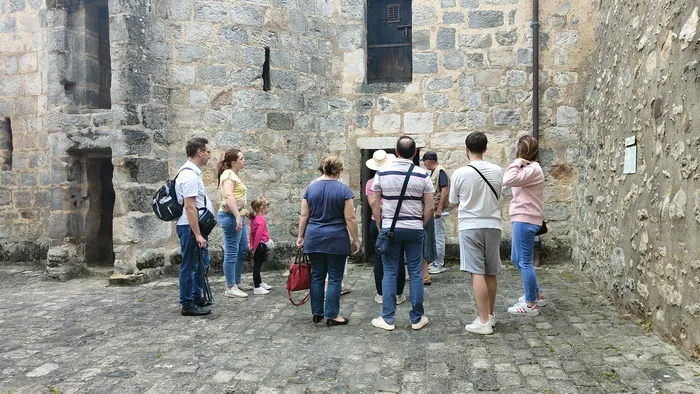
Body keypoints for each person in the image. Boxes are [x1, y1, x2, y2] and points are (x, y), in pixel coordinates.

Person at [370, 136, 434, 331]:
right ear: (415, 153)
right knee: (415, 272)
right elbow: (430, 206)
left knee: (390, 272)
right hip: (414, 228)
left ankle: (388, 318)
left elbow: (374, 202)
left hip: (391, 227)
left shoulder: (382, 172)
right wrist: (420, 224)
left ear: (396, 152)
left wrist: (381, 225)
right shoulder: (423, 175)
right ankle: (417, 318)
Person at [449, 132, 503, 334]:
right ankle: (490, 314)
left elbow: (453, 202)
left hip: (470, 225)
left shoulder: (460, 173)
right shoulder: (497, 170)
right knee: (491, 271)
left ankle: (482, 321)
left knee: (477, 272)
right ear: (486, 149)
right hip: (493, 224)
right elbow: (505, 194)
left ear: (466, 150)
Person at [297, 156, 360, 326]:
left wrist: (300, 236)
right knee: (334, 277)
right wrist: (356, 239)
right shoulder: (344, 190)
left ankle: (317, 312)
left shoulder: (311, 189)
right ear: (339, 171)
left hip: (314, 236)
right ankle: (332, 314)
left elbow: (304, 215)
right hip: (336, 238)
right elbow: (350, 218)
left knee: (317, 276)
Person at [503, 135, 546, 316]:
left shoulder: (532, 170)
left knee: (525, 262)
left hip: (525, 218)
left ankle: (530, 304)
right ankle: (536, 294)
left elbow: (508, 179)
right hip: (523, 218)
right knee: (516, 258)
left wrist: (517, 161)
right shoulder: (529, 170)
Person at [176, 137, 214, 316]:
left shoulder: (192, 172)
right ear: (199, 152)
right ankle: (187, 303)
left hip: (194, 227)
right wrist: (197, 234)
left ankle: (195, 296)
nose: (209, 155)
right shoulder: (189, 174)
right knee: (189, 265)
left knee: (199, 262)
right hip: (191, 227)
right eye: (207, 152)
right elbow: (190, 206)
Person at [365, 150, 406, 305]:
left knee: (380, 258)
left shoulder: (370, 183)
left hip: (377, 221)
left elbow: (373, 203)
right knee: (398, 258)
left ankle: (381, 293)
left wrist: (380, 214)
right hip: (394, 222)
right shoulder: (396, 180)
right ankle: (398, 293)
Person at [217, 149, 251, 299]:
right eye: (241, 159)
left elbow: (237, 197)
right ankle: (230, 287)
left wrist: (247, 213)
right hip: (230, 216)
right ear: (233, 162)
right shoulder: (228, 175)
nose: (244, 161)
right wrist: (237, 216)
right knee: (231, 252)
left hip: (238, 215)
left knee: (243, 248)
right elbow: (229, 195)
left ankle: (236, 281)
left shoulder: (234, 175)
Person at [422, 152, 450, 275]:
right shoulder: (435, 171)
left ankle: (440, 264)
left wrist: (439, 209)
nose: (424, 164)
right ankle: (435, 261)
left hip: (439, 210)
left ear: (429, 160)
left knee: (438, 237)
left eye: (424, 161)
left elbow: (444, 191)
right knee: (434, 236)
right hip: (435, 209)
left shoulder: (440, 171)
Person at [249, 196, 273, 295]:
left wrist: (251, 244)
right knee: (257, 266)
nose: (269, 208)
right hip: (261, 245)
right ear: (262, 208)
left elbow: (251, 233)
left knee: (258, 265)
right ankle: (257, 287)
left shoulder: (254, 219)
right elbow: (258, 234)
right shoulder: (261, 219)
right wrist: (255, 247)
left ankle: (259, 282)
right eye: (267, 207)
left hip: (259, 245)